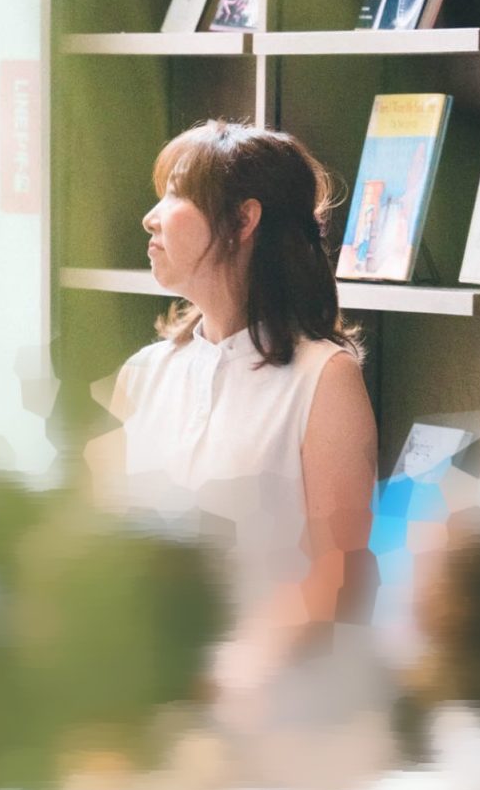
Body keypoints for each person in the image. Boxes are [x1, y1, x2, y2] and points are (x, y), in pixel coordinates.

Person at [104, 120, 380, 754]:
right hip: (145, 710)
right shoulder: (143, 374)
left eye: (177, 193)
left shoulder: (324, 378)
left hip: (278, 724)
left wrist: (224, 680)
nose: (150, 217)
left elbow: (340, 573)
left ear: (243, 219)